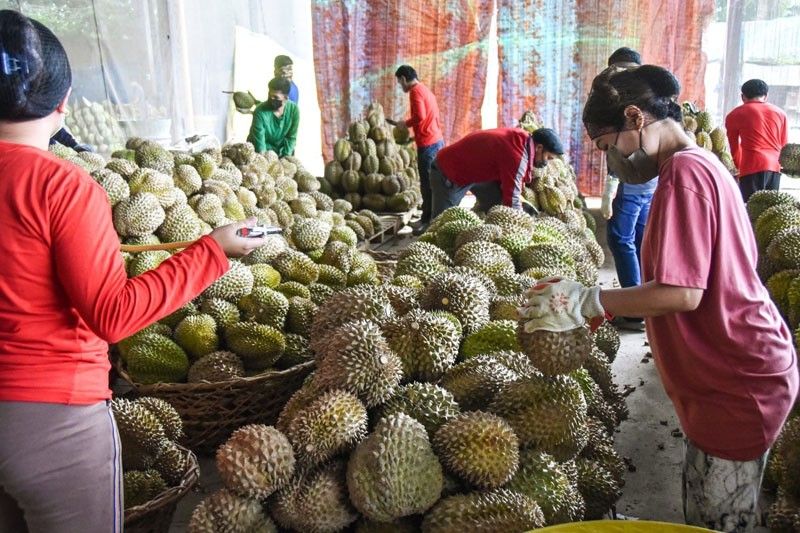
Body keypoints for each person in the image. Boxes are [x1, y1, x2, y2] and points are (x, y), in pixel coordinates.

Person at [0, 10, 265, 532]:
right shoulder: (62, 186)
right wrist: (214, 250)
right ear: (64, 102)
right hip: (52, 417)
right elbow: (113, 315)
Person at [520, 64, 798, 532]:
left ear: (635, 118)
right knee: (707, 507)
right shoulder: (701, 164)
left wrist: (591, 300)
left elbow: (682, 292)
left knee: (722, 522)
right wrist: (609, 304)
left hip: (737, 380)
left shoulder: (683, 178)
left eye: (608, 146)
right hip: (731, 370)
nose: (613, 161)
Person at [600, 47, 656, 332]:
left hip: (631, 180)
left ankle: (634, 311)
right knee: (640, 238)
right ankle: (647, 301)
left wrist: (609, 190)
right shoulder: (650, 90)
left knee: (620, 238)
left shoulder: (619, 92)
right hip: (651, 182)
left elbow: (617, 144)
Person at [428, 127, 563, 220]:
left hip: (475, 171)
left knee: (496, 199)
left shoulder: (523, 139)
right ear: (539, 147)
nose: (547, 163)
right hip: (449, 171)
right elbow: (512, 199)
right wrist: (521, 224)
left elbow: (513, 182)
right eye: (548, 158)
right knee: (441, 223)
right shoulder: (517, 155)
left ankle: (487, 225)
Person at [386, 65, 443, 235]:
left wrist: (404, 124)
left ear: (403, 79)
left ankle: (428, 222)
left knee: (427, 184)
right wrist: (412, 136)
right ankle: (428, 216)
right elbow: (429, 118)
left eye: (399, 82)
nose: (400, 86)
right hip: (435, 140)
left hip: (428, 144)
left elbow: (421, 116)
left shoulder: (415, 92)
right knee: (432, 182)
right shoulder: (425, 90)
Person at [725, 79, 788, 202]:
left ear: (743, 97)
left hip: (751, 166)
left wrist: (738, 167)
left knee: (750, 210)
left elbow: (734, 146)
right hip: (774, 167)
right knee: (770, 212)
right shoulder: (781, 113)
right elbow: (784, 145)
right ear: (765, 96)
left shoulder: (735, 114)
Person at [247, 77, 299, 157]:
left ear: (285, 98)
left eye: (275, 97)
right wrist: (265, 161)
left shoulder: (294, 110)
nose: (271, 99)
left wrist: (286, 157)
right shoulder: (259, 112)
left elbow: (291, 137)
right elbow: (260, 144)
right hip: (258, 151)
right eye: (269, 95)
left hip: (279, 151)